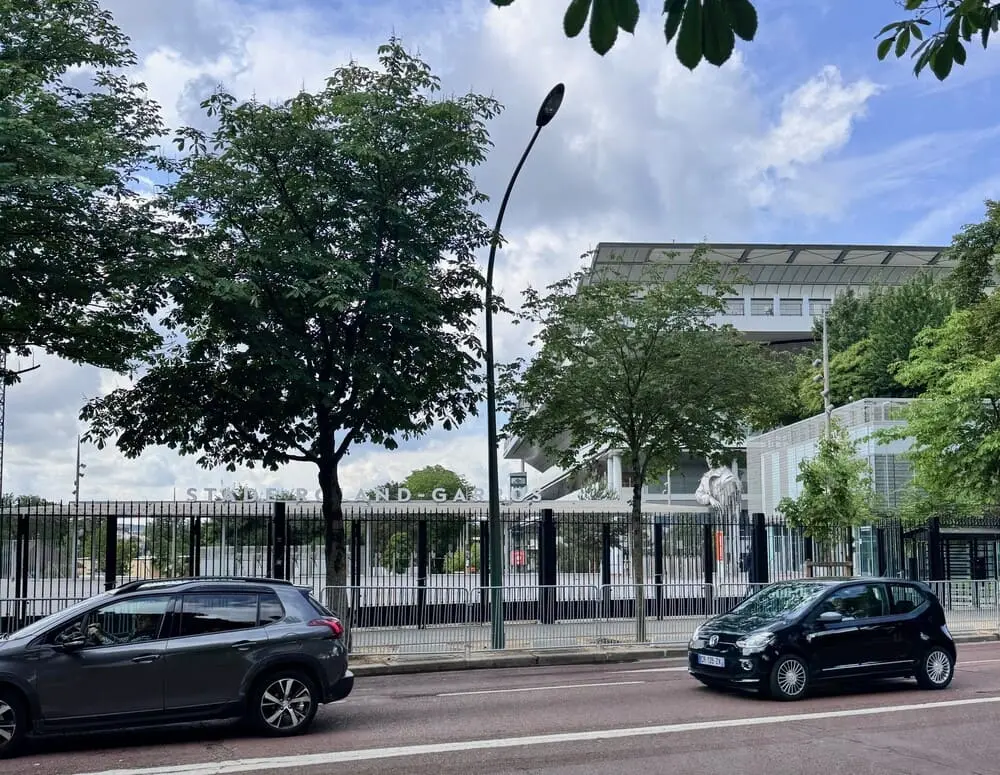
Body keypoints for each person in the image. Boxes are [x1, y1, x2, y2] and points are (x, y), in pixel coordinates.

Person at [86, 613, 161, 646]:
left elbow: (116, 648)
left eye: (143, 619)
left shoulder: (146, 638)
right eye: (137, 617)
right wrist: (102, 631)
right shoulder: (139, 633)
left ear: (153, 623)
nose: (138, 620)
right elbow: (120, 642)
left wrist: (100, 636)